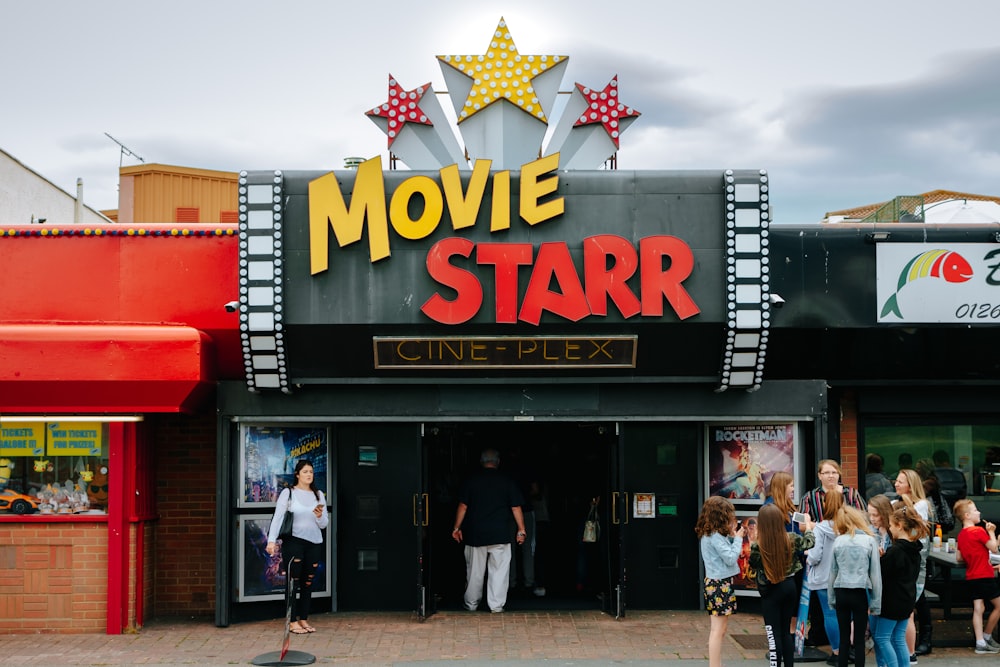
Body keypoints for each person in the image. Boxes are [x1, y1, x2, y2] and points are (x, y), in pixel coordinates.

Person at [451, 448, 526, 613]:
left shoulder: (471, 481)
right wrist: (521, 530)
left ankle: (471, 604)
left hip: (475, 534)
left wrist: (457, 527)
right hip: (500, 533)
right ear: (498, 462)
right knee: (499, 572)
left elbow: (463, 506)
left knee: (474, 573)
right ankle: (496, 605)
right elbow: (516, 507)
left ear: (481, 462)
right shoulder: (507, 481)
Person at [265, 459, 328, 635]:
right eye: (305, 471)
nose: (309, 475)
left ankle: (303, 619)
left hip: (314, 542)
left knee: (308, 582)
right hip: (294, 542)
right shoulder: (288, 493)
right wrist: (271, 541)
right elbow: (278, 517)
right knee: (293, 582)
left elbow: (324, 524)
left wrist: (319, 516)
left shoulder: (318, 494)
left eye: (311, 472)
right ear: (297, 474)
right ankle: (291, 621)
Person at [750, 503, 815, 667]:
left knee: (773, 635)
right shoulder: (791, 539)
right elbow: (809, 543)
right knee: (786, 632)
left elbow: (754, 564)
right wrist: (807, 527)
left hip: (771, 591)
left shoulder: (758, 546)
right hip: (789, 586)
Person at [870, 504, 925, 667]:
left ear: (900, 526)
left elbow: (881, 573)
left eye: (892, 525)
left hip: (892, 601)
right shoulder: (915, 549)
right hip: (907, 599)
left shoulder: (896, 551)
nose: (891, 529)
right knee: (898, 638)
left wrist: (881, 558)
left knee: (882, 638)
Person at [695, 495, 746, 667]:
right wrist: (738, 538)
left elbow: (724, 553)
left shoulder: (711, 534)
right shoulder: (715, 535)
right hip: (719, 585)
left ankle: (716, 664)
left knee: (720, 629)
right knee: (718, 630)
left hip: (717, 583)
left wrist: (731, 537)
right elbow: (731, 558)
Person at [829, 506, 882, 667]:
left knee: (844, 639)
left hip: (841, 591)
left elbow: (832, 572)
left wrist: (831, 598)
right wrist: (876, 603)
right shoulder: (869, 541)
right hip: (860, 592)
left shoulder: (838, 541)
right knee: (859, 641)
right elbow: (875, 575)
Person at [953, 499, 1000, 654]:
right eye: (975, 510)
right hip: (985, 575)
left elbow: (959, 557)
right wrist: (992, 532)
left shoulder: (961, 535)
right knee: (999, 606)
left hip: (971, 575)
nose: (978, 512)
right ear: (967, 515)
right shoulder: (979, 531)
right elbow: (993, 548)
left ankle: (980, 642)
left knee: (978, 608)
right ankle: (986, 635)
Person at [893, 470, 931, 662]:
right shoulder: (896, 503)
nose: (896, 484)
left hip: (912, 561)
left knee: (908, 609)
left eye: (900, 482)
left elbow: (917, 533)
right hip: (902, 560)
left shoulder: (921, 505)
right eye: (896, 481)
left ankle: (910, 652)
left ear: (911, 485)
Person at [805, 487, 845, 665]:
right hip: (844, 577)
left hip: (822, 578)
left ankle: (836, 652)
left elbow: (815, 556)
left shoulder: (820, 528)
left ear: (825, 504)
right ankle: (847, 649)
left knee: (830, 616)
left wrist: (807, 555)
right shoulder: (847, 527)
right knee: (844, 615)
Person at [801, 460, 867, 522]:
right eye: (826, 473)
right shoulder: (809, 497)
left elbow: (864, 518)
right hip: (819, 534)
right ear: (819, 476)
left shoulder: (851, 493)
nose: (831, 476)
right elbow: (801, 523)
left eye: (834, 472)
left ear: (839, 474)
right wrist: (824, 528)